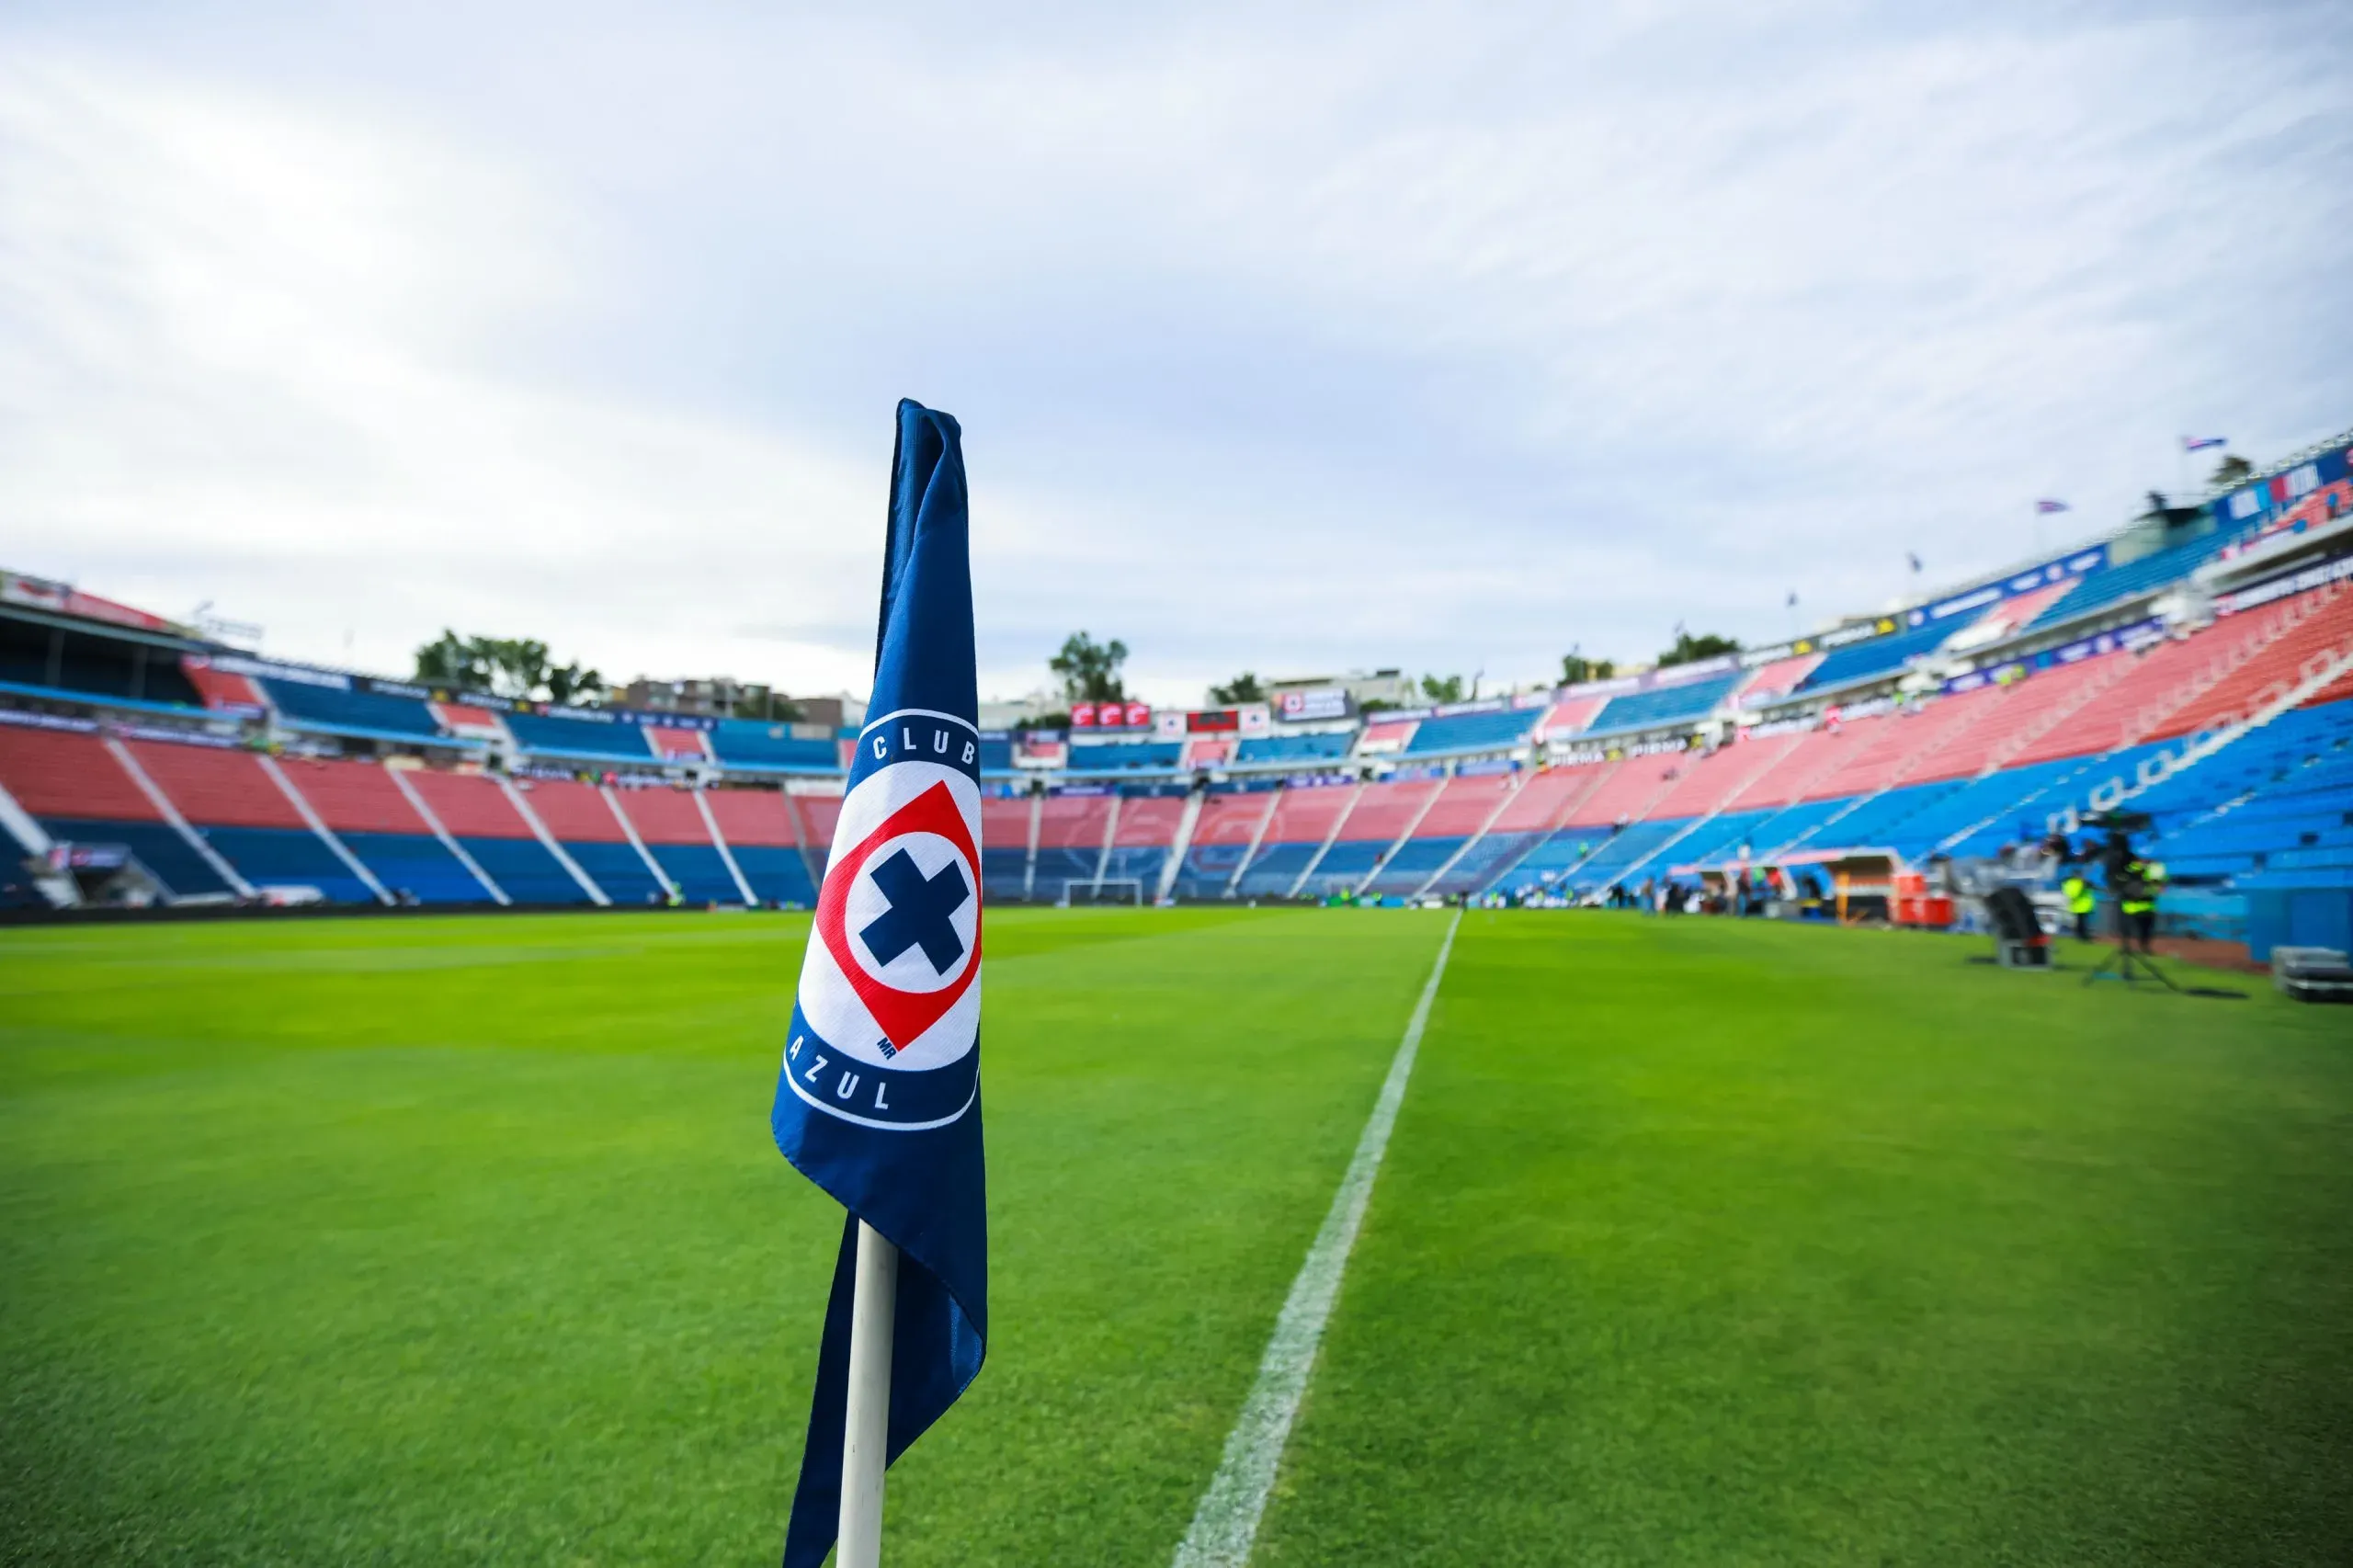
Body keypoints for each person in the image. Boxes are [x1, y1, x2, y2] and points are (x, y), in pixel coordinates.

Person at [2061, 869, 2097, 942]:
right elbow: (2073, 894)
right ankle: (2082, 936)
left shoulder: (2071, 883)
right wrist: (2082, 887)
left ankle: (2081, 935)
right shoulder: (2075, 883)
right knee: (2081, 922)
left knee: (2081, 922)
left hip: (2081, 905)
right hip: (2080, 906)